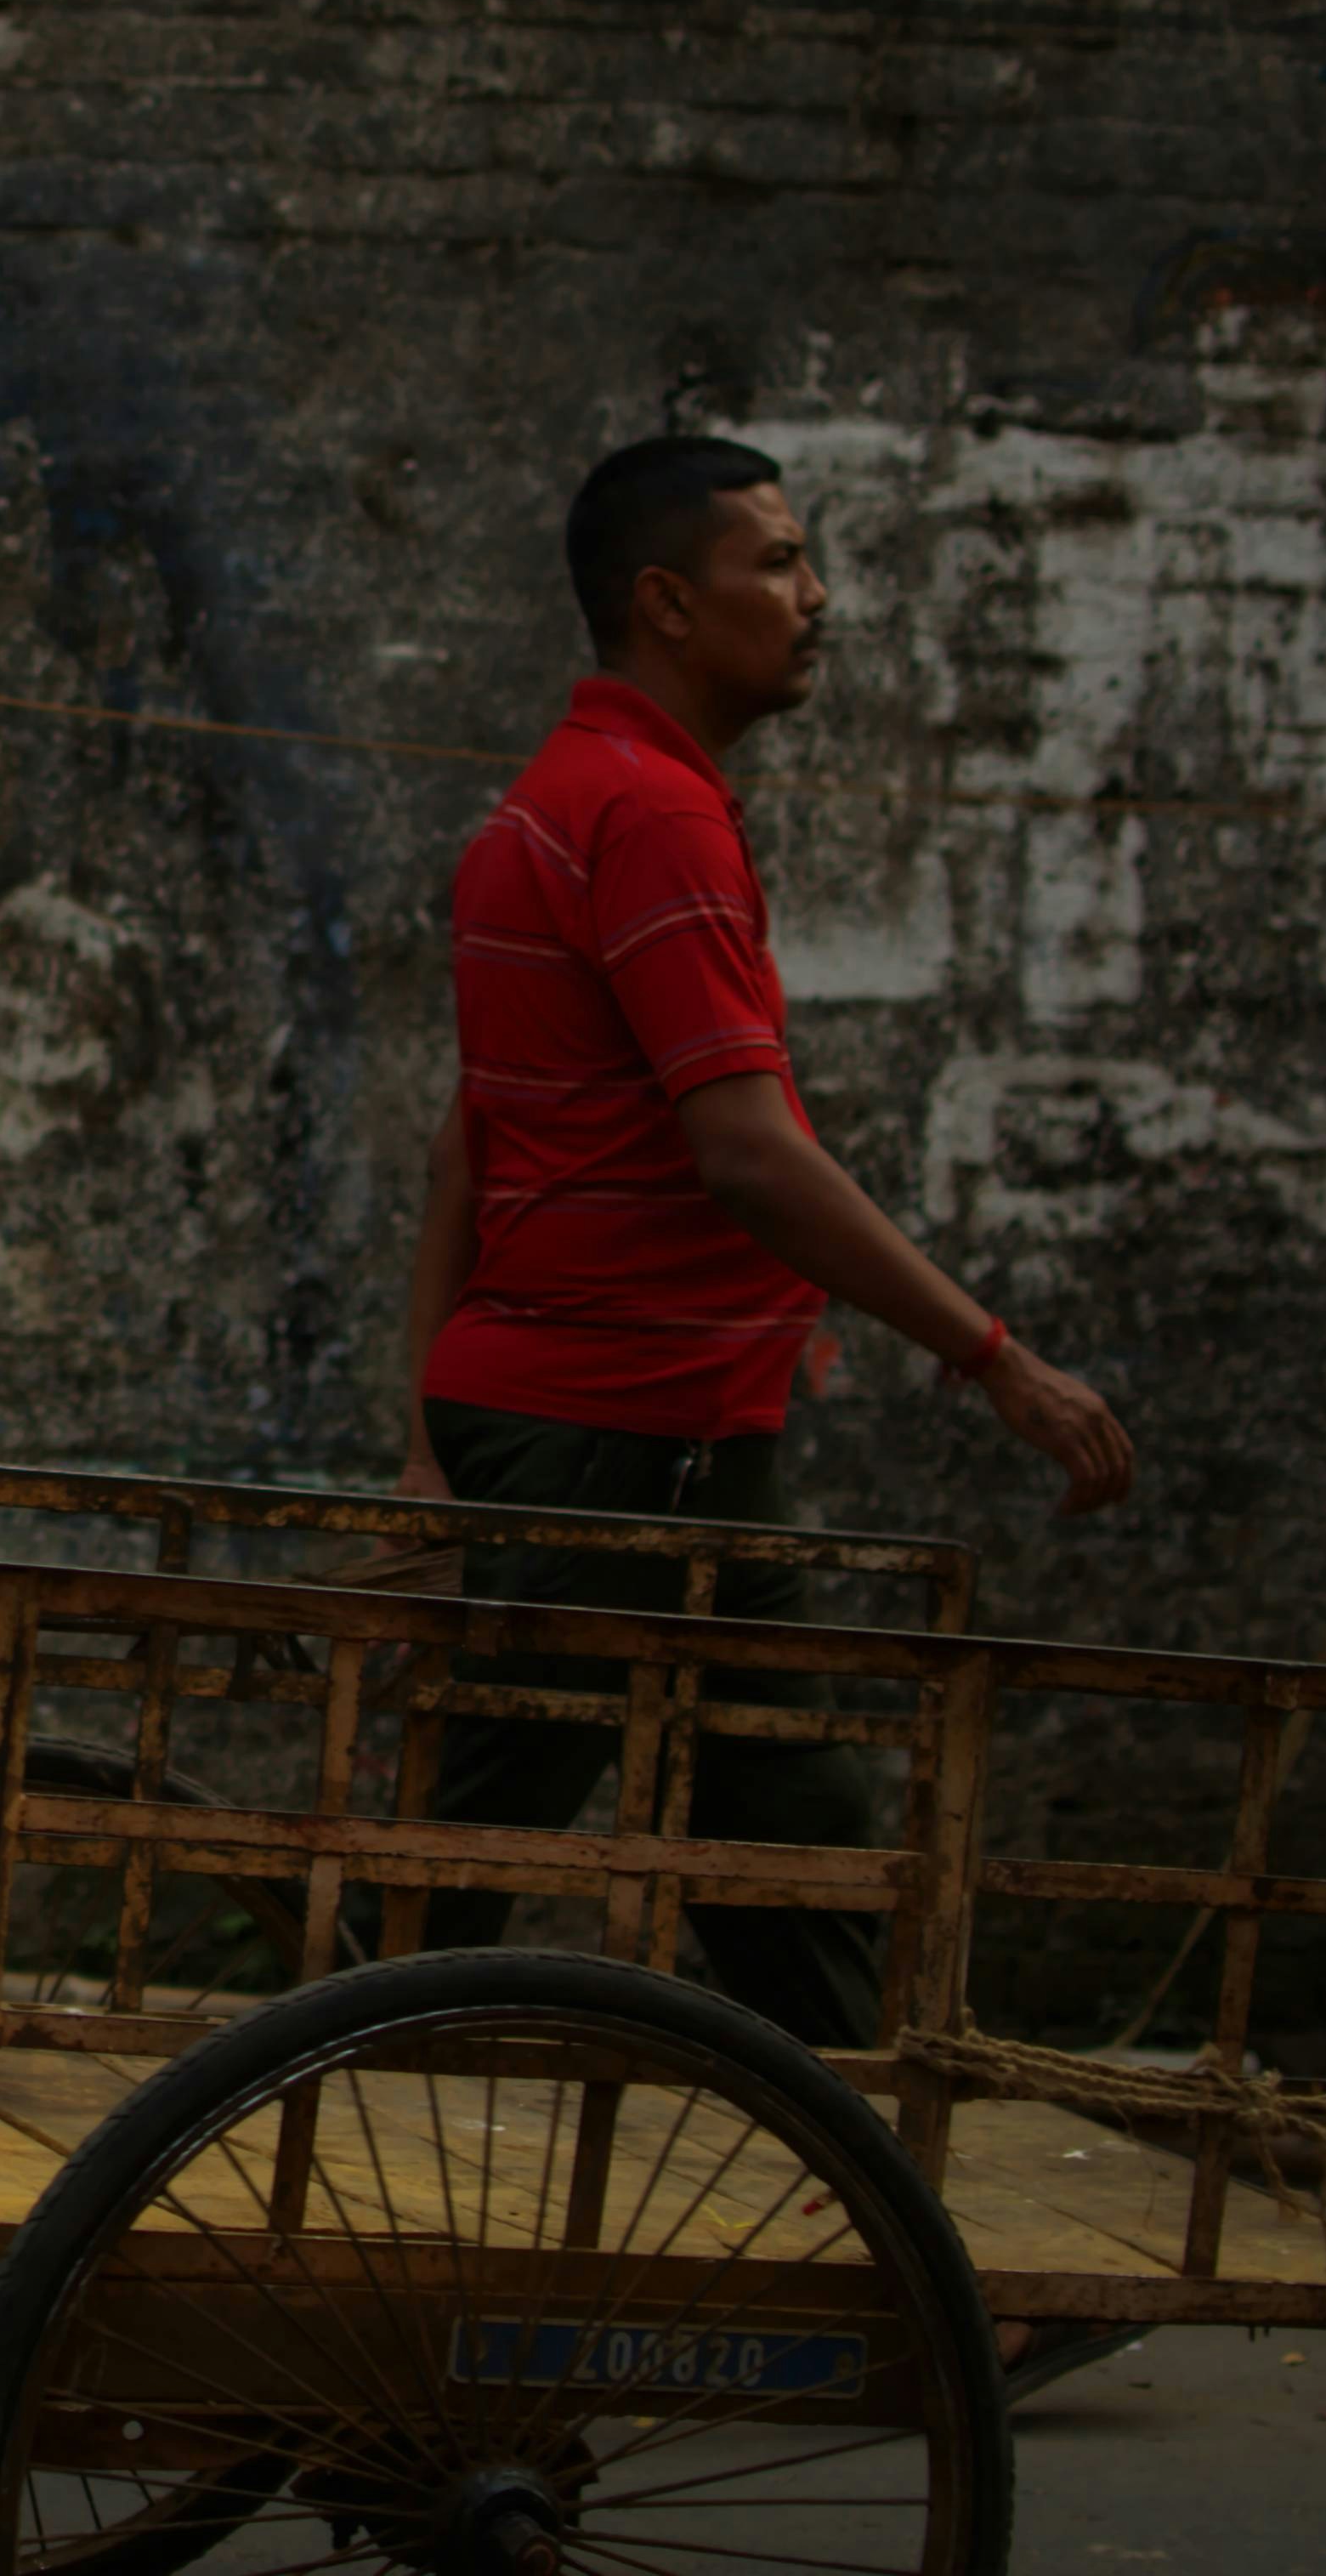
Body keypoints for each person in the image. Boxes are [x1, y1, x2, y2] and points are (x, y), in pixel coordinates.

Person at [394, 434, 1136, 2051]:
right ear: (669, 602)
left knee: (777, 1856)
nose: (819, 598)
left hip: (638, 1435)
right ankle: (211, 2148)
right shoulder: (647, 812)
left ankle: (882, 2178)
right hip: (620, 1444)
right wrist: (997, 1360)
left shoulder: (548, 805)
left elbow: (470, 1140)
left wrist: (427, 1433)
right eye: (781, 563)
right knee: (449, 1882)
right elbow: (746, 1151)